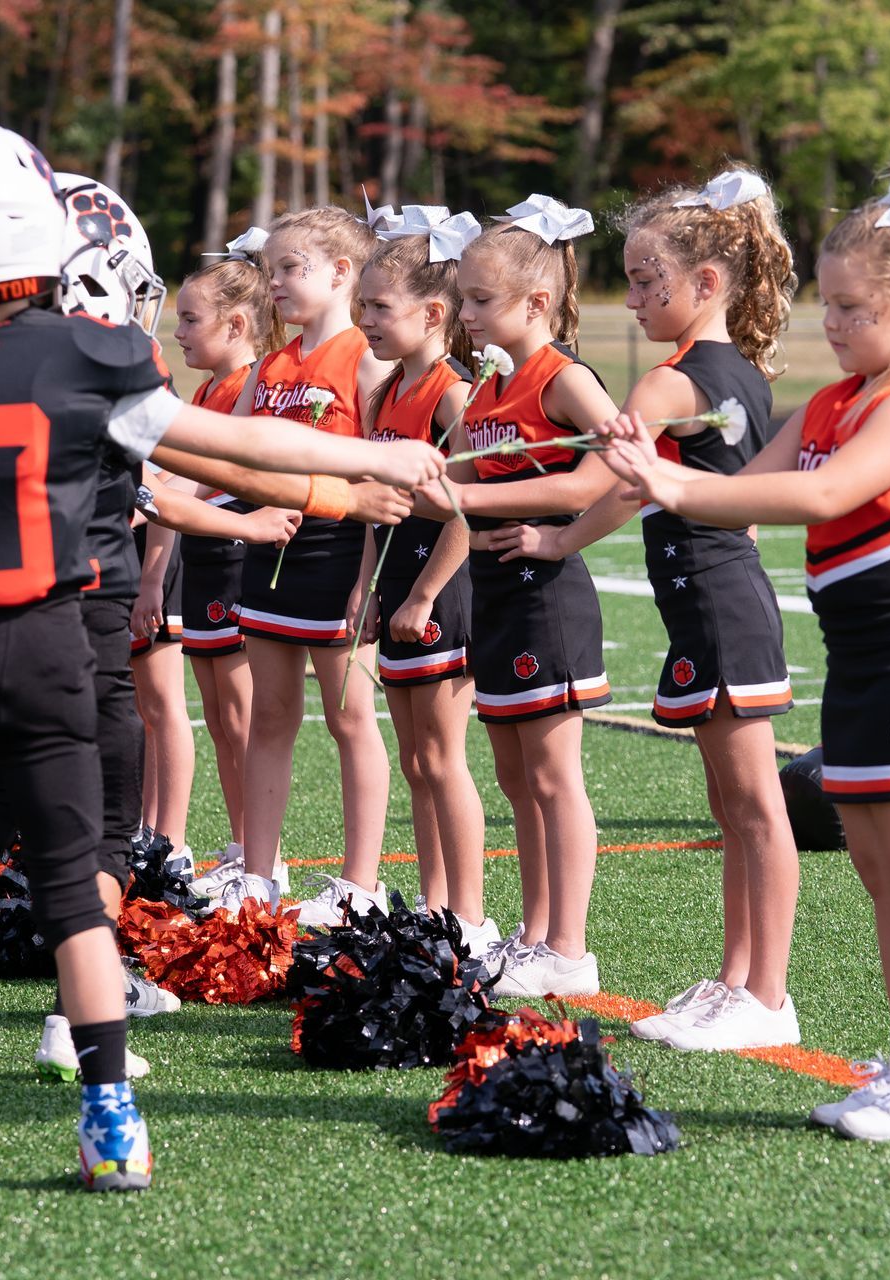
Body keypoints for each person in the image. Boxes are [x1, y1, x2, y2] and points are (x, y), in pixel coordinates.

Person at [0, 119, 442, 1197]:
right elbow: (232, 445)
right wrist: (374, 455)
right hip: (47, 644)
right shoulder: (90, 354)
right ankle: (109, 1115)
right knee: (72, 892)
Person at [597, 165, 890, 1141]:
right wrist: (650, 459)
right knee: (878, 865)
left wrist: (671, 484)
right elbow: (747, 482)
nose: (826, 323)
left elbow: (823, 497)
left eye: (848, 308)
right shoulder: (833, 401)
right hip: (862, 658)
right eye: (823, 302)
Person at [483, 169, 804, 1049]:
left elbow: (621, 477)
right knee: (732, 807)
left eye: (643, 281)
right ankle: (737, 978)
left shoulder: (674, 382)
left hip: (722, 604)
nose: (629, 299)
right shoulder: (731, 368)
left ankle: (768, 996)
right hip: (709, 604)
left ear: (706, 284)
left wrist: (554, 538)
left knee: (752, 809)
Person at [424, 196, 616, 998]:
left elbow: (613, 470)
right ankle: (535, 934)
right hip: (495, 596)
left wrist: (559, 536)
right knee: (513, 776)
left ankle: (569, 946)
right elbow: (458, 486)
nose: (464, 316)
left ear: (537, 303)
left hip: (548, 595)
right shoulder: (487, 390)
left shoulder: (561, 378)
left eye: (479, 300)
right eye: (463, 299)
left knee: (552, 775)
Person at [222, 206, 394, 927]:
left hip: (336, 555)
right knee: (270, 717)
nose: (276, 285)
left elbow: (383, 490)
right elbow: (229, 459)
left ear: (342, 272)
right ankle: (257, 877)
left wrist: (365, 580)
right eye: (271, 272)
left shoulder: (368, 357)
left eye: (290, 268)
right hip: (265, 551)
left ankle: (361, 884)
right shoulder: (269, 364)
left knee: (350, 717)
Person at [357, 208, 493, 948]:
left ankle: (469, 916)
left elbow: (466, 512)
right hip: (396, 586)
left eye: (381, 306)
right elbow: (378, 504)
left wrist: (421, 594)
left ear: (433, 313)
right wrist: (367, 588)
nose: (366, 319)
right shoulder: (383, 393)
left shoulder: (452, 392)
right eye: (364, 305)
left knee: (443, 757)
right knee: (414, 761)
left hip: (440, 590)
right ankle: (433, 904)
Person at [168, 242, 283, 865]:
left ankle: (257, 853)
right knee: (219, 717)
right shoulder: (207, 392)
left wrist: (145, 495)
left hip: (237, 560)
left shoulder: (252, 387)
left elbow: (213, 474)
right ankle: (243, 846)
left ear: (236, 325)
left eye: (191, 320)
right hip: (203, 560)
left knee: (239, 718)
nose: (179, 331)